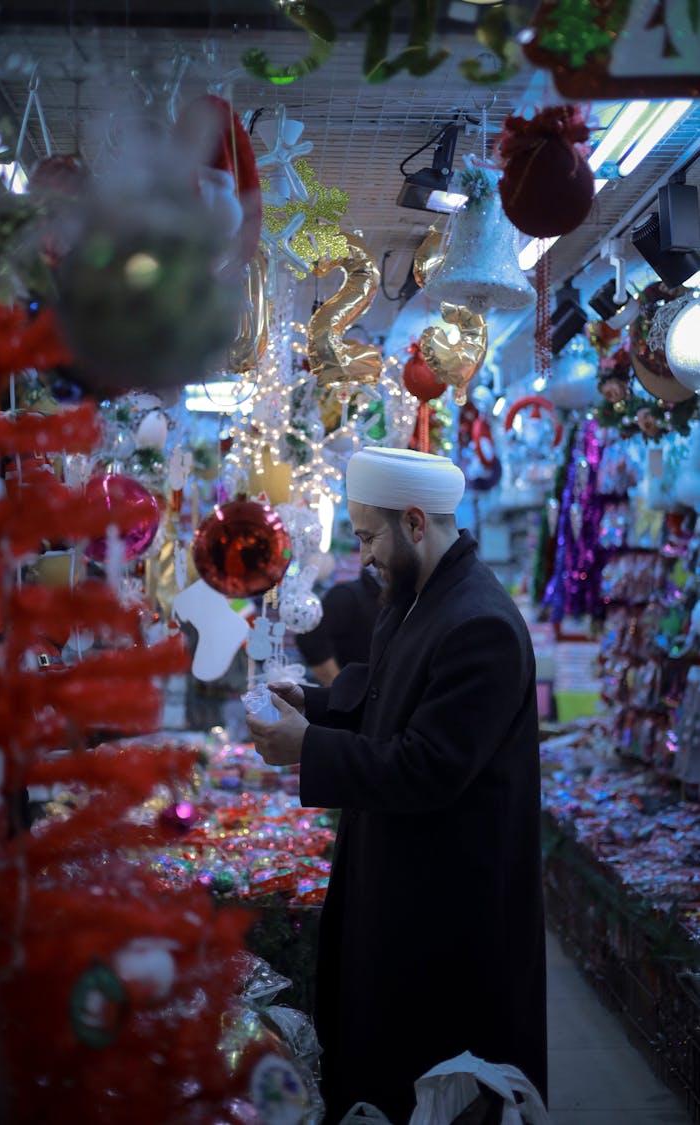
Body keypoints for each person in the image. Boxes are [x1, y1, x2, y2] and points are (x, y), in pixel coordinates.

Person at [246, 446, 546, 1125]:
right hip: (403, 878)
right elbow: (385, 691)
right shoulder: (417, 595)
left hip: (449, 910)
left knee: (435, 1082)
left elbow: (426, 765)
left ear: (415, 522)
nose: (363, 555)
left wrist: (308, 746)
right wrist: (310, 701)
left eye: (368, 535)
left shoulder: (483, 624)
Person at [295, 566, 381, 686]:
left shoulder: (405, 600)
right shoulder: (346, 595)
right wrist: (340, 689)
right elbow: (310, 639)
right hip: (355, 694)